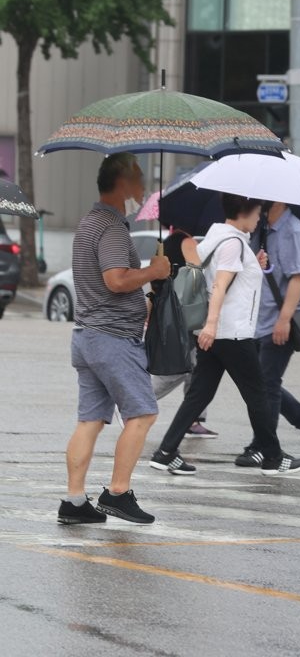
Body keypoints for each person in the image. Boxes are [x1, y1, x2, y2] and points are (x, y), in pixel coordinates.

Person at [149, 194, 300, 477]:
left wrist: (253, 266)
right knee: (258, 394)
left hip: (215, 334)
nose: (260, 216)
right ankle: (272, 456)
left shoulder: (217, 236)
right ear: (245, 211)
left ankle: (166, 452)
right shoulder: (234, 243)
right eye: (258, 211)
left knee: (199, 395)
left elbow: (220, 278)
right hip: (231, 333)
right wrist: (211, 325)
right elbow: (220, 286)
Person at [58, 153, 171, 525]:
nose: (142, 184)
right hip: (112, 340)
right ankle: (117, 493)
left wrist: (145, 301)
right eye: (138, 176)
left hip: (88, 336)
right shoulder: (110, 227)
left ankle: (74, 503)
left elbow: (113, 285)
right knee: (143, 413)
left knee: (90, 420)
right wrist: (153, 270)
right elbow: (115, 280)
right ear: (122, 181)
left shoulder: (89, 222)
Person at [234, 202, 300, 468]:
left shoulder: (295, 231)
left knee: (266, 383)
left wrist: (284, 320)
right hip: (257, 318)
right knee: (261, 382)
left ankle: (262, 446)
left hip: (281, 320)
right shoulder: (262, 228)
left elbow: (298, 278)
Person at [148, 226, 216, 439]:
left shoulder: (164, 245)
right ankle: (135, 401)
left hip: (167, 309)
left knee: (196, 365)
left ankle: (194, 419)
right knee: (185, 365)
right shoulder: (186, 242)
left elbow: (156, 282)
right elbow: (198, 273)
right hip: (184, 312)